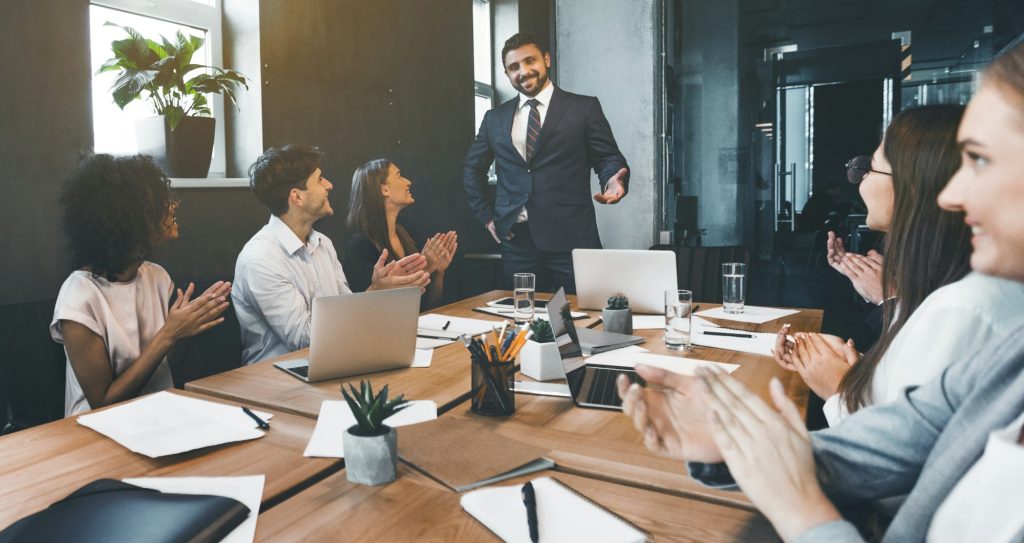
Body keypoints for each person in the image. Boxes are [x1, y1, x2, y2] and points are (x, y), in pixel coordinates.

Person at [616, 42, 1024, 542]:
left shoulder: (971, 307)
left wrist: (803, 507)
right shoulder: (1010, 351)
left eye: (980, 161)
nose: (953, 195)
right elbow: (899, 443)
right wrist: (730, 441)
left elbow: (890, 487)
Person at [772, 105, 1024, 427]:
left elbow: (898, 448)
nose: (859, 182)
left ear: (914, 187)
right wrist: (848, 366)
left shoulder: (961, 307)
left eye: (870, 169)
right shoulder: (955, 288)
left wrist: (840, 388)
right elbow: (911, 389)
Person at [51, 154, 231, 416]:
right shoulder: (79, 297)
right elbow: (103, 402)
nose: (172, 206)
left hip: (156, 416)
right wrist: (169, 333)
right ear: (129, 219)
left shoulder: (156, 276)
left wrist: (185, 327)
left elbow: (164, 368)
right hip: (95, 433)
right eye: (158, 204)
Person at [463, 31, 630, 294]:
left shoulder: (583, 108)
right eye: (514, 67)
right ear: (507, 74)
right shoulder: (494, 118)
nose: (524, 71)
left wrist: (613, 181)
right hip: (516, 242)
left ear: (547, 59)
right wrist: (488, 217)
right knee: (523, 321)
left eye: (530, 61)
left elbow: (607, 157)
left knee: (584, 319)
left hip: (572, 239)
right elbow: (472, 169)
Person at [233, 145, 430, 366]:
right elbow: (304, 340)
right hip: (274, 379)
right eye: (319, 180)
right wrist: (374, 293)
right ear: (297, 197)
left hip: (332, 363)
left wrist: (379, 294)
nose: (329, 185)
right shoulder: (260, 259)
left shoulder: (323, 244)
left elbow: (347, 312)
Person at [342, 159, 457, 308]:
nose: (408, 182)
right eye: (399, 176)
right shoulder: (359, 247)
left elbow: (428, 308)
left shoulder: (404, 235)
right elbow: (365, 312)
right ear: (384, 190)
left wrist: (436, 272)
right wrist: (425, 269)